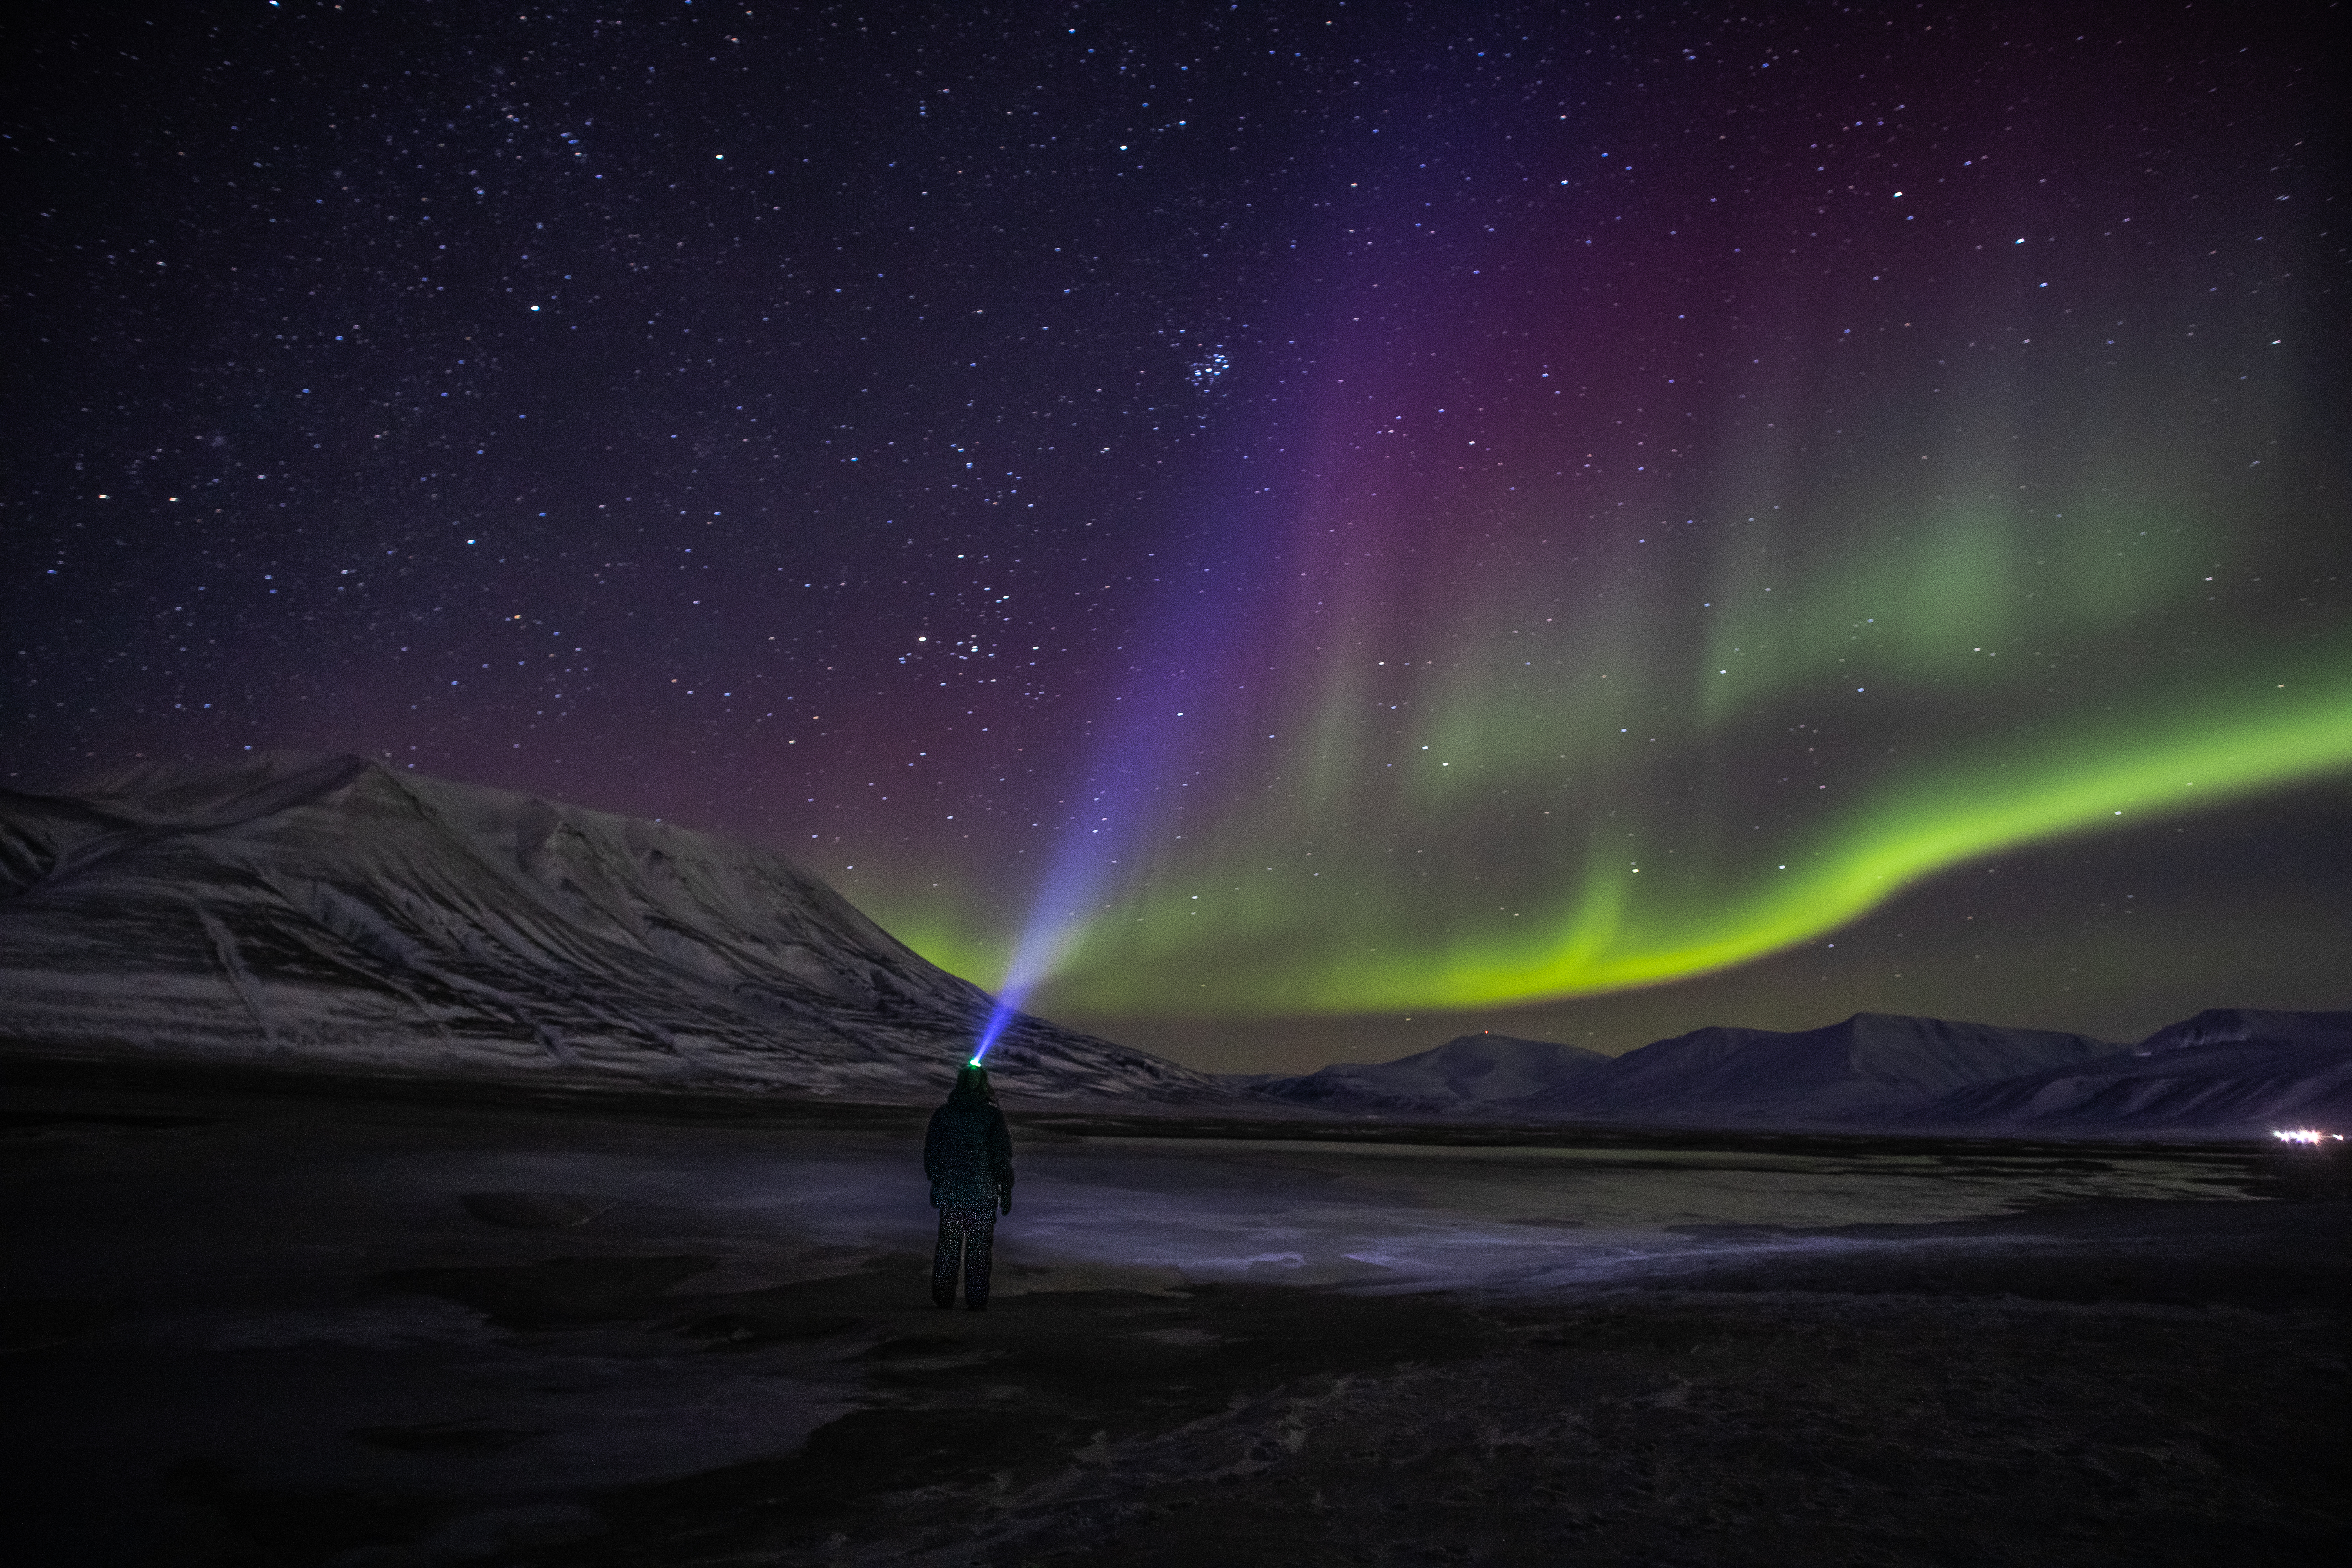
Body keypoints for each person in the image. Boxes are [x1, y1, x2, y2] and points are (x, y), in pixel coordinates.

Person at [924, 1063, 1014, 1309]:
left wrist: (937, 1182)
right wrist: (1006, 1189)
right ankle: (976, 1301)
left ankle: (943, 1299)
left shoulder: (944, 1114)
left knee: (948, 1248)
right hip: (982, 1195)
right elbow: (1000, 1156)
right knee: (979, 1251)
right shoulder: (991, 1116)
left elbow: (932, 1153)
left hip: (952, 1194)